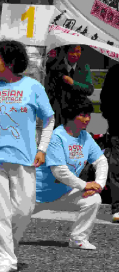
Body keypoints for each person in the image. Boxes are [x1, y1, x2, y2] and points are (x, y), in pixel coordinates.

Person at [0, 40, 56, 272]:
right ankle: (4, 259)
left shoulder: (33, 87)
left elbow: (48, 119)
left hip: (25, 157)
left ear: (10, 62)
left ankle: (10, 247)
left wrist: (42, 148)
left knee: (24, 210)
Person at [34, 96, 108, 249]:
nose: (87, 119)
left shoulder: (85, 137)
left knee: (93, 199)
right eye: (82, 114)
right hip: (36, 194)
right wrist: (85, 185)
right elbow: (59, 171)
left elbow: (101, 161)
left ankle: (78, 239)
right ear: (70, 115)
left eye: (89, 115)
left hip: (64, 192)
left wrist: (98, 185)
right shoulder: (56, 137)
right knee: (4, 221)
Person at [45, 45, 94, 128]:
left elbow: (89, 89)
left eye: (78, 51)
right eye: (72, 51)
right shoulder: (55, 68)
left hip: (77, 112)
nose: (75, 54)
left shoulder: (84, 67)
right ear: (66, 52)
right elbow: (49, 91)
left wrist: (73, 83)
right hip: (59, 113)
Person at [99, 63, 119, 223]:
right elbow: (105, 97)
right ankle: (117, 208)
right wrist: (111, 117)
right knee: (116, 168)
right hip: (117, 127)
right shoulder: (115, 71)